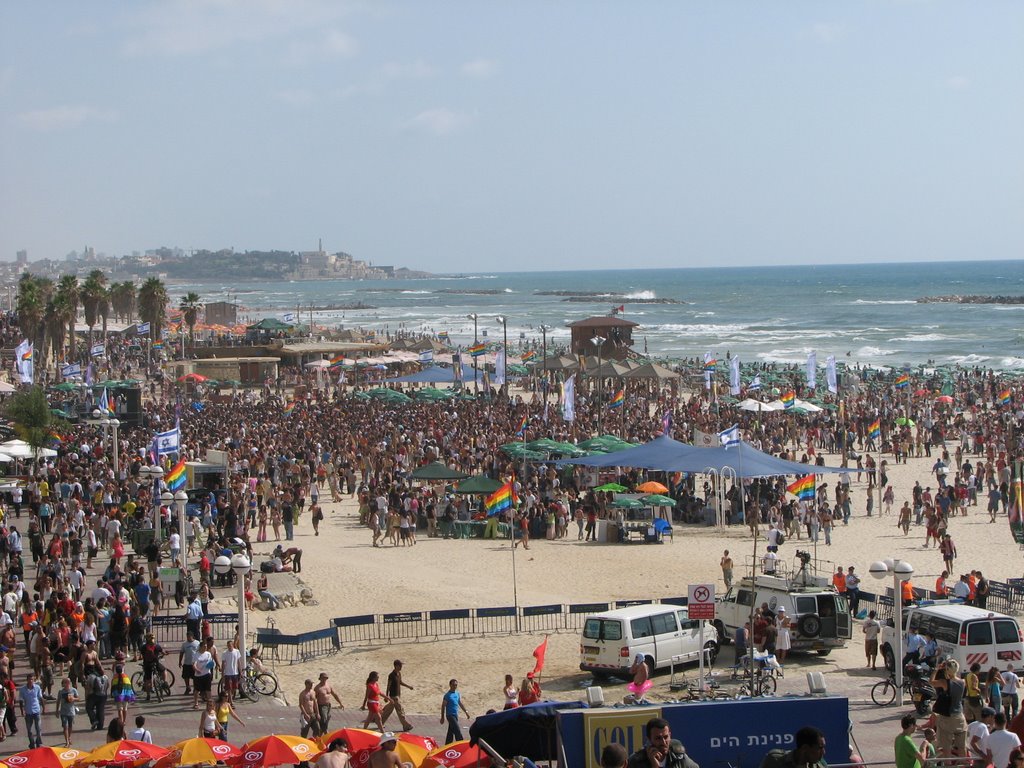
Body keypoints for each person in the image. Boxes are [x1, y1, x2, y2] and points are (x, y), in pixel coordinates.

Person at [626, 717, 699, 768]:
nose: (663, 742)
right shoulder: (636, 761)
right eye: (658, 738)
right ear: (649, 739)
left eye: (666, 737)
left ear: (670, 735)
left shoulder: (677, 756)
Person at [932, 659, 969, 759]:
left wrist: (936, 669)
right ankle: (964, 764)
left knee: (946, 747)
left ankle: (948, 765)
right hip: (959, 717)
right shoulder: (963, 682)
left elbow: (931, 682)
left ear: (947, 670)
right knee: (962, 747)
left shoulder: (944, 682)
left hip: (947, 718)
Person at [759, 726, 826, 768]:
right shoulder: (775, 759)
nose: (823, 752)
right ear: (804, 748)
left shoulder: (821, 764)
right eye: (819, 748)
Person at [381, 659, 414, 732]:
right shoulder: (391, 675)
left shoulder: (399, 674)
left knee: (388, 710)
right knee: (400, 710)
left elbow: (400, 682)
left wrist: (408, 687)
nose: (401, 667)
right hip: (394, 696)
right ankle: (406, 725)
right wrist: (386, 696)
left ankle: (380, 722)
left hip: (398, 695)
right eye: (400, 665)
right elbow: (388, 686)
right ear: (396, 666)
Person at [18, 672, 45, 749]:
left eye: (32, 679)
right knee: (29, 730)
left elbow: (40, 697)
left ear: (34, 680)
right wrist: (22, 711)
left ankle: (38, 742)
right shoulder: (22, 689)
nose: (31, 681)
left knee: (38, 729)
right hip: (28, 712)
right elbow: (21, 700)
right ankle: (32, 744)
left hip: (36, 711)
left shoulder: (37, 688)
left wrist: (43, 708)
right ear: (27, 680)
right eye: (29, 679)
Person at [440, 678, 469, 744]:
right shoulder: (447, 695)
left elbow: (460, 703)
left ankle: (447, 745)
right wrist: (442, 717)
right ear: (450, 685)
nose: (455, 686)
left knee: (450, 732)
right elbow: (443, 706)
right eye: (453, 685)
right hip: (450, 715)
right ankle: (461, 744)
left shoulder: (457, 694)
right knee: (457, 731)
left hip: (455, 715)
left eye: (456, 685)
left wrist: (466, 712)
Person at [56, 676, 79, 747]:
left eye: (68, 682)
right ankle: (67, 742)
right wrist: (57, 710)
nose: (67, 683)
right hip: (63, 712)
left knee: (70, 726)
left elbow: (78, 698)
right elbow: (58, 701)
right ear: (63, 684)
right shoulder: (61, 692)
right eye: (65, 682)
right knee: (65, 726)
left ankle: (69, 737)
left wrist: (73, 698)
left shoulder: (73, 690)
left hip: (71, 711)